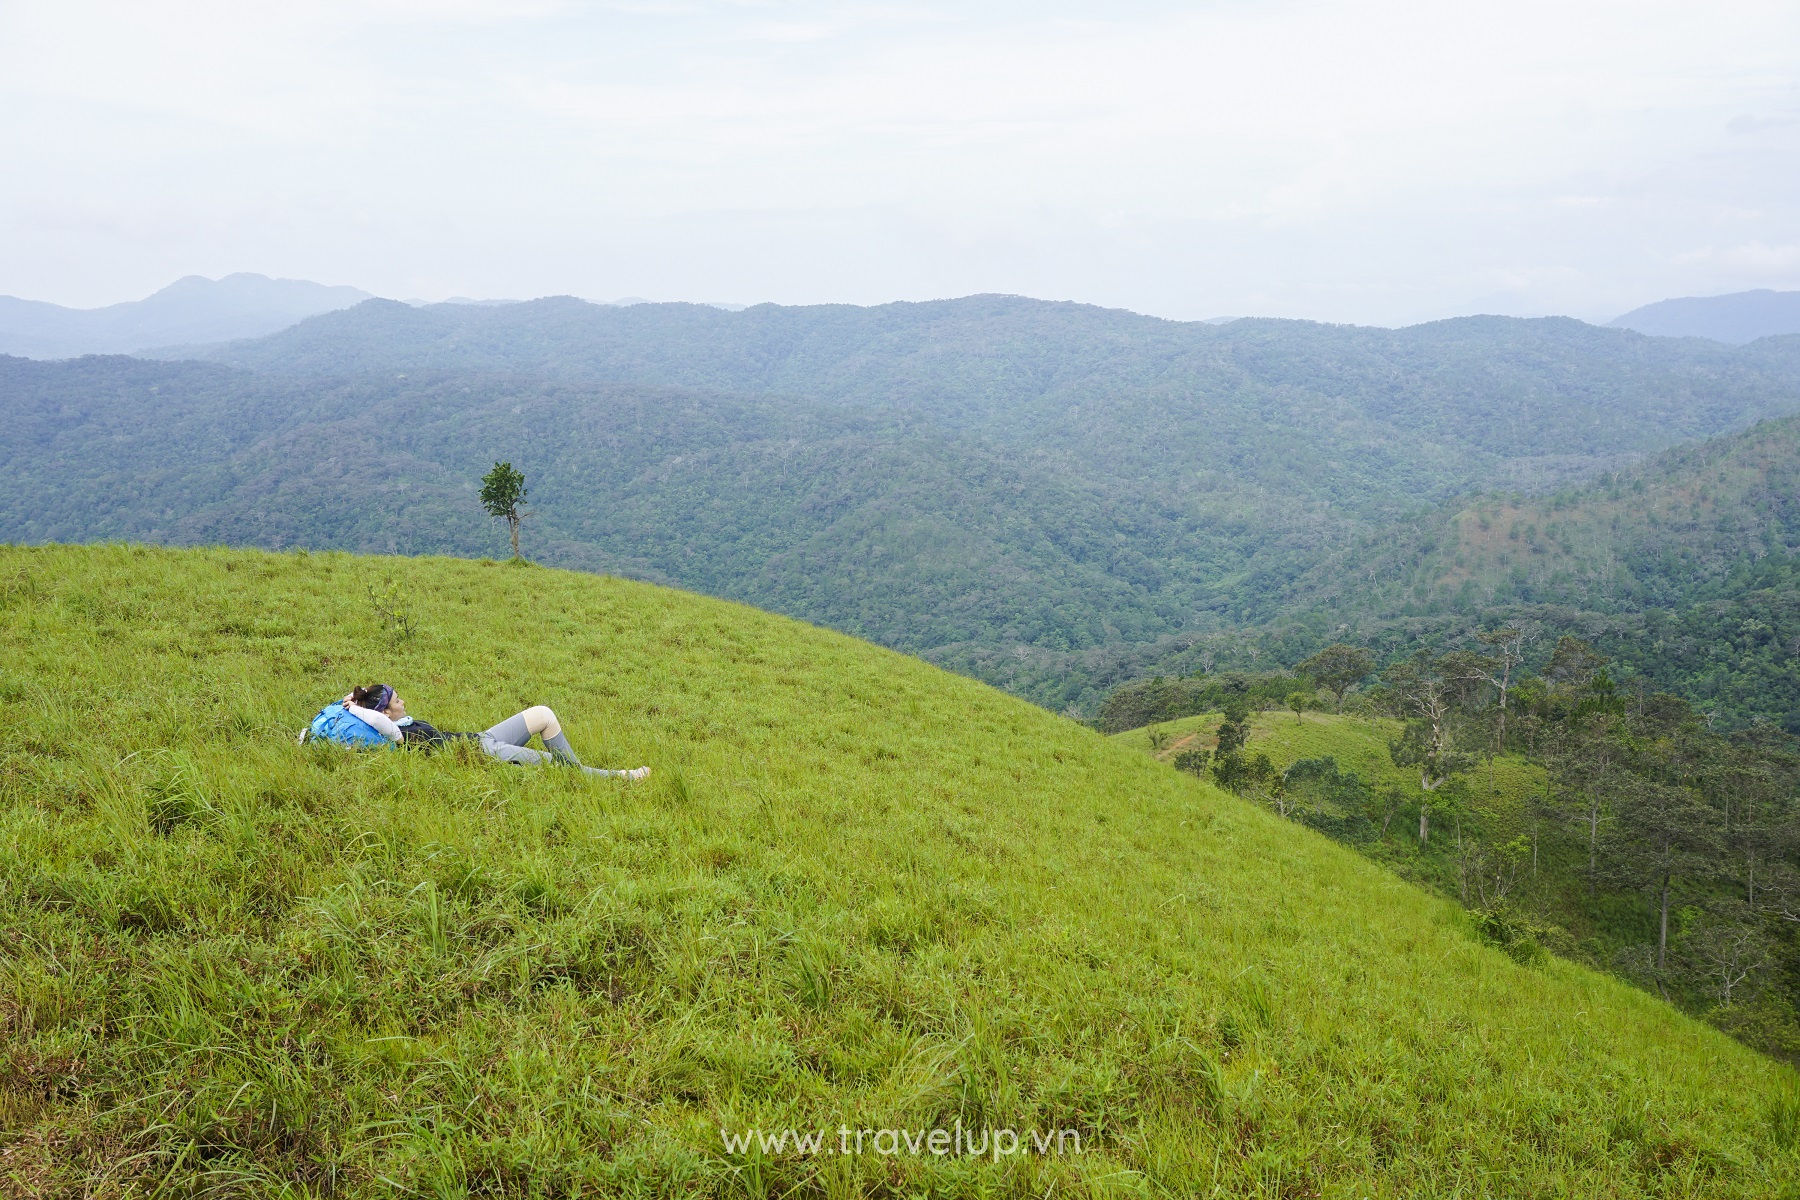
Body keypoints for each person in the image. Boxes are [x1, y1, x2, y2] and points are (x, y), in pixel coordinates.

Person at [309, 684, 649, 780]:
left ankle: (578, 773)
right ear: (383, 711)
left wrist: (350, 702)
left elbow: (373, 714)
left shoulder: (400, 723)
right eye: (397, 700)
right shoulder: (393, 736)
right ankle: (617, 777)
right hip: (482, 753)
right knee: (549, 762)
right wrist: (354, 710)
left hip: (482, 738)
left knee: (543, 713)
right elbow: (376, 722)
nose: (403, 701)